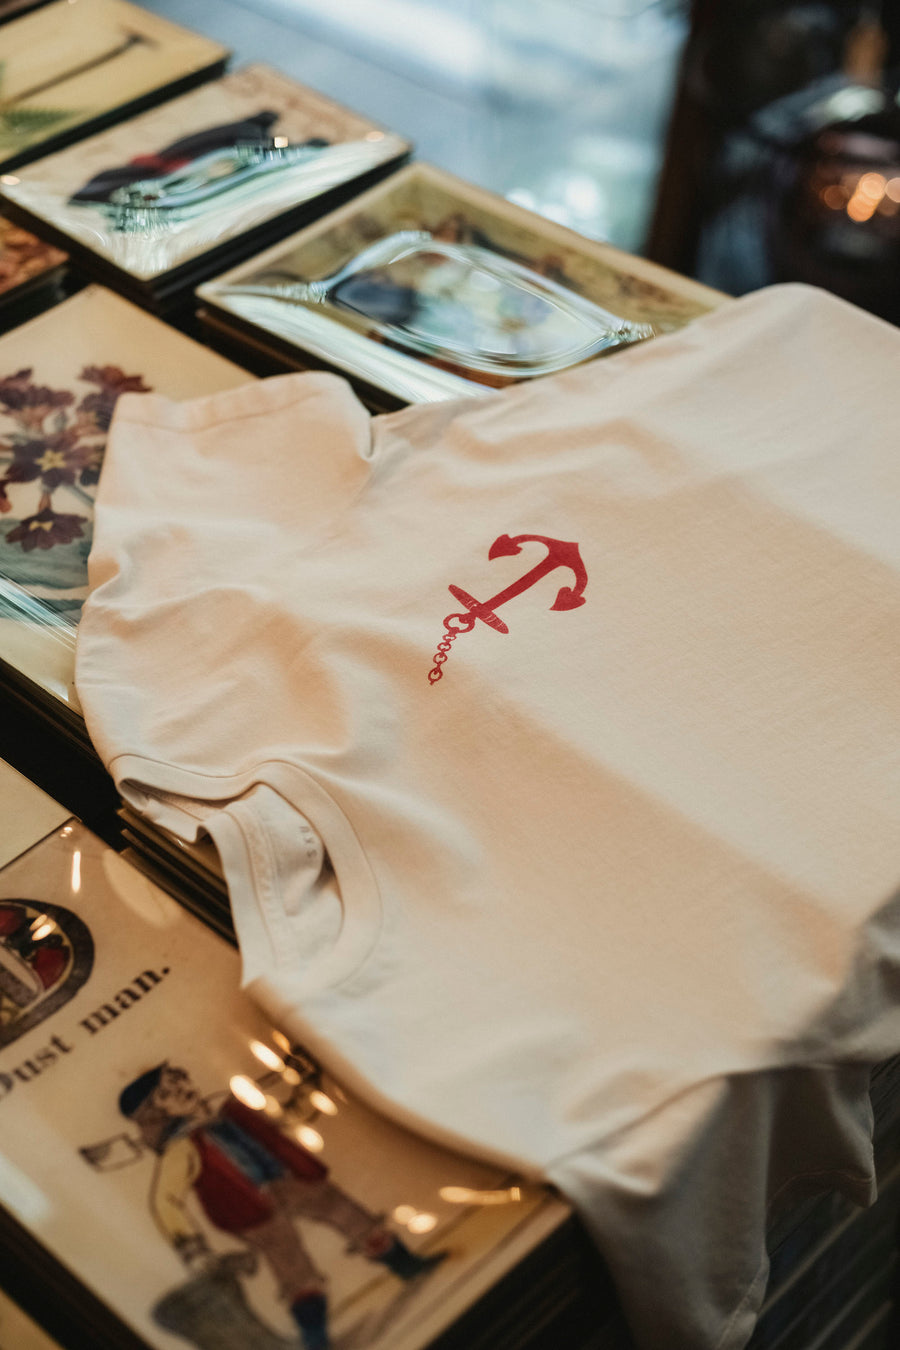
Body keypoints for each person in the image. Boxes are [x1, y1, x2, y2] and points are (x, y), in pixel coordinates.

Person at [119, 1062, 445, 1350]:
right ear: (156, 1112)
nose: (181, 1089)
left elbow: (278, 1122)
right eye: (167, 1093)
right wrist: (191, 1246)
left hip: (290, 1179)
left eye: (178, 1079)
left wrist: (304, 1097)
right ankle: (315, 1335)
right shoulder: (180, 1149)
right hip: (248, 1208)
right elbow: (164, 1201)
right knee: (291, 1265)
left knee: (348, 1214)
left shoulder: (225, 1106)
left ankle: (405, 1263)